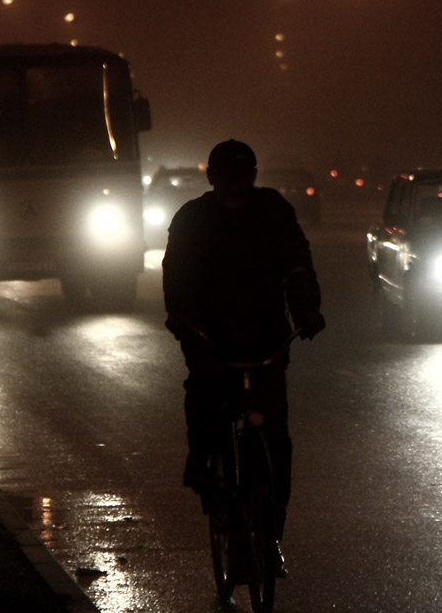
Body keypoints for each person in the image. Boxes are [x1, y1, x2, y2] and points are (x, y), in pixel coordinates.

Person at [161, 139, 325, 576]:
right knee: (204, 399)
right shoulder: (192, 219)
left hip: (266, 339)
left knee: (277, 441)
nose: (236, 186)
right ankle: (205, 472)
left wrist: (306, 309)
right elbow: (175, 276)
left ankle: (270, 536)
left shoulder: (273, 211)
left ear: (253, 177)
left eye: (244, 176)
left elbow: (297, 265)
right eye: (228, 177)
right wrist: (181, 319)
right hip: (210, 338)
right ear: (212, 179)